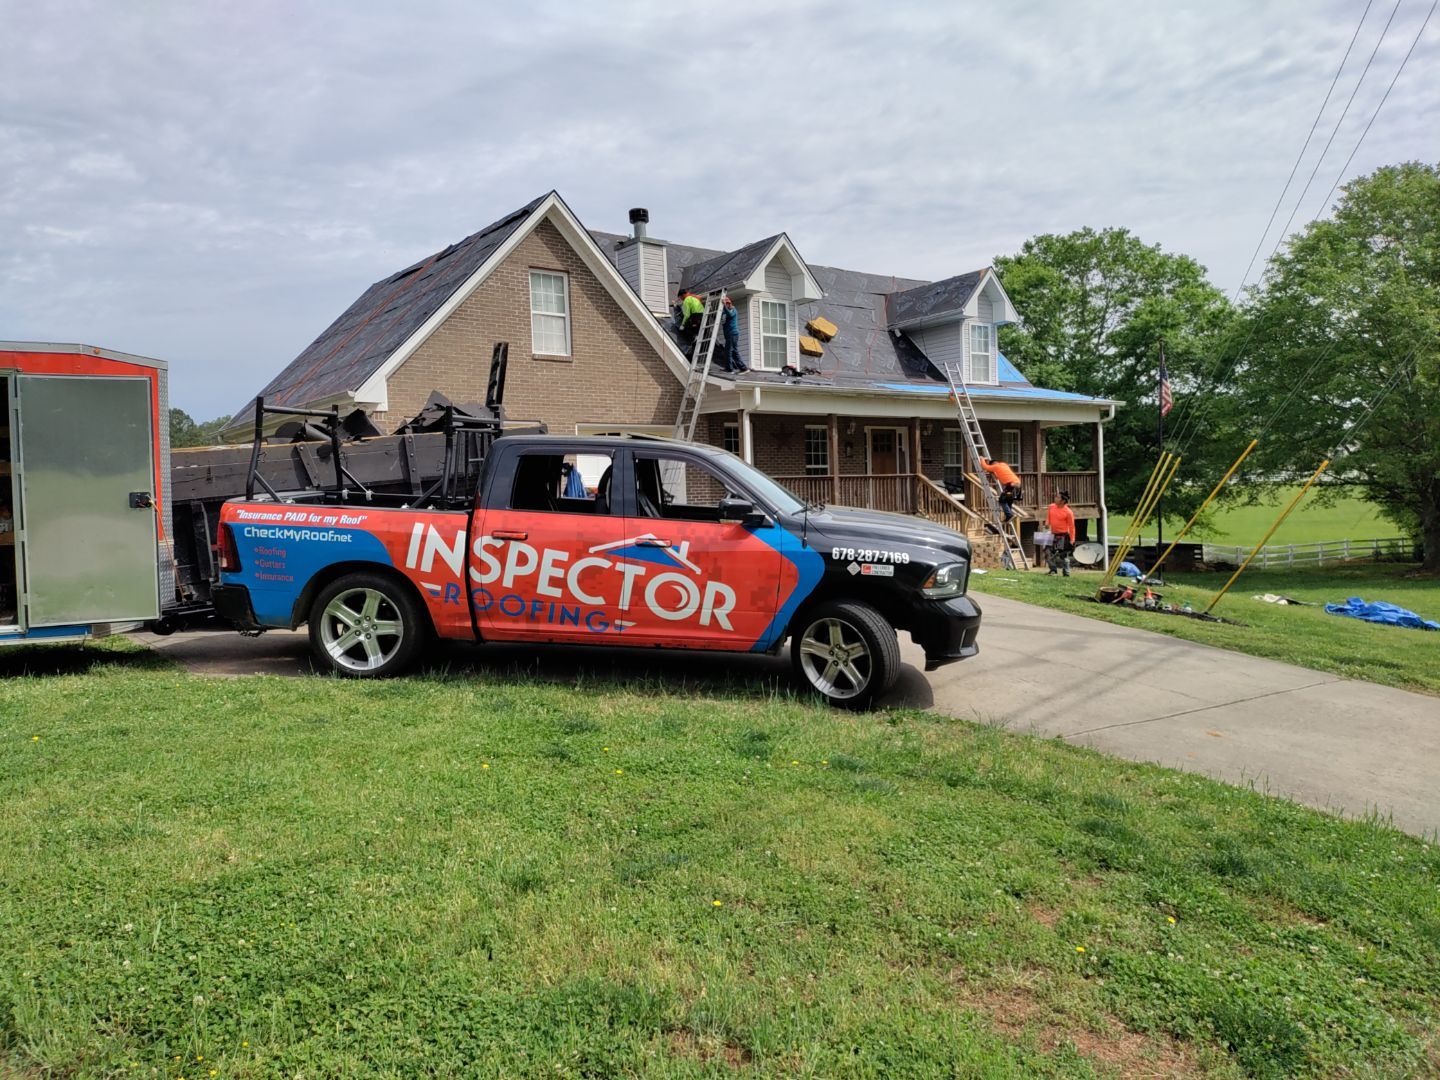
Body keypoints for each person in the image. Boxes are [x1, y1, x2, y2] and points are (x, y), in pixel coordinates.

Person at [980, 457, 1023, 524]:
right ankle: (1008, 517)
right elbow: (998, 476)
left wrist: (982, 459)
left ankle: (1009, 515)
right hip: (1018, 485)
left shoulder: (995, 466)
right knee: (1009, 500)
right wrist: (994, 473)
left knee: (1002, 500)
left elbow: (985, 466)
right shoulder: (1004, 464)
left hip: (1011, 485)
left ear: (993, 465)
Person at [1045, 489, 1076, 576]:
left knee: (1063, 555)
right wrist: (1047, 523)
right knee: (1047, 552)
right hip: (1052, 534)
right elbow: (1048, 516)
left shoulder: (1069, 512)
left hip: (1063, 535)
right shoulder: (1051, 506)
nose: (1055, 498)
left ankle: (1066, 572)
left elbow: (1072, 526)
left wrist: (1072, 539)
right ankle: (1053, 570)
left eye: (1057, 497)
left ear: (1062, 501)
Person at [673, 287, 704, 358]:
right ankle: (696, 335)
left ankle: (694, 336)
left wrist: (683, 325)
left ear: (682, 295)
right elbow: (700, 300)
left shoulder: (686, 300)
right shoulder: (694, 297)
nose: (681, 299)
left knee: (684, 327)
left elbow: (687, 315)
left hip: (696, 317)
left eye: (680, 297)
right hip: (703, 316)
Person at [719, 295, 748, 373]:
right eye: (726, 303)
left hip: (733, 334)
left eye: (728, 303)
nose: (727, 304)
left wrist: (724, 305)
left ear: (730, 303)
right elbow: (721, 318)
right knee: (734, 351)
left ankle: (729, 369)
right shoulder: (724, 313)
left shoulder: (733, 310)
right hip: (728, 335)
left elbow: (730, 315)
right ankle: (743, 368)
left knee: (728, 351)